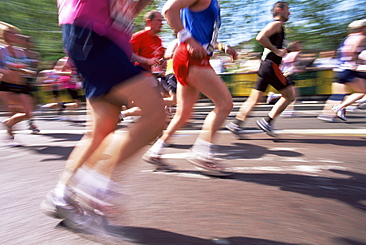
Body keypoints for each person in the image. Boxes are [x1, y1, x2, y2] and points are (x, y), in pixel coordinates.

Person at [40, 0, 166, 233]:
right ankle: (94, 186)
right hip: (92, 31)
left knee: (100, 131)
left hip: (97, 37)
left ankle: (61, 194)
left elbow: (131, 8)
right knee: (155, 116)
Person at [143, 0, 238, 176]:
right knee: (225, 104)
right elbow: (169, 9)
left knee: (183, 113)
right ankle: (203, 153)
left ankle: (156, 151)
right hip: (191, 57)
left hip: (193, 56)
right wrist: (188, 39)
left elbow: (202, 33)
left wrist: (223, 47)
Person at [226, 1, 294, 137]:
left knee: (254, 99)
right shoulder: (276, 24)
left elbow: (273, 46)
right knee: (290, 96)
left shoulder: (278, 26)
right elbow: (260, 37)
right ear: (280, 10)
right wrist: (276, 51)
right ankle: (267, 122)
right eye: (288, 9)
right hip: (270, 66)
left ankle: (236, 124)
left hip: (265, 66)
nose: (289, 12)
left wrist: (286, 49)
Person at [317, 19, 366, 122]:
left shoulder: (347, 38)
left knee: (337, 95)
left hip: (339, 69)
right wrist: (355, 62)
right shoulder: (361, 37)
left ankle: (326, 114)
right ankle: (340, 107)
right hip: (348, 69)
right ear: (362, 27)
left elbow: (340, 53)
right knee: (361, 92)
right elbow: (352, 51)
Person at [0, 22, 40, 141]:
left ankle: (9, 123)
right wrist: (2, 69)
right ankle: (10, 134)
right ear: (5, 35)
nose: (15, 36)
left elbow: (23, 66)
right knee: (12, 110)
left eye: (16, 34)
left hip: (21, 85)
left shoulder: (20, 52)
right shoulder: (1, 50)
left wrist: (28, 71)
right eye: (12, 34)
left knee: (28, 113)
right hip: (5, 85)